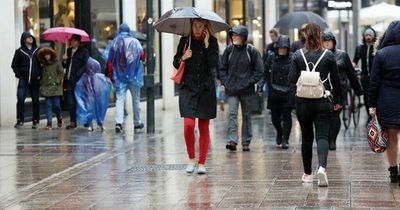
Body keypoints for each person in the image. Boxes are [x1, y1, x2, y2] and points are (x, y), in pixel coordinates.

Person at [288, 23, 341, 187]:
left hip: (303, 103)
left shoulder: (297, 55)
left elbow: (291, 80)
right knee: (322, 136)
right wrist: (338, 100)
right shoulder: (328, 55)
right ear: (319, 36)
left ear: (305, 35)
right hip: (323, 100)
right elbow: (337, 82)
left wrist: (294, 101)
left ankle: (307, 174)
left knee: (306, 137)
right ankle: (322, 169)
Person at [173, 19, 219, 174]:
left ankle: (202, 163)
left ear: (205, 27)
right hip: (188, 88)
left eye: (201, 26)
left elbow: (214, 64)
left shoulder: (212, 41)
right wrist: (183, 57)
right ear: (191, 26)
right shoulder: (185, 40)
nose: (198, 29)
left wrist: (206, 45)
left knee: (204, 126)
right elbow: (175, 61)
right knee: (188, 125)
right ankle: (191, 158)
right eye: (196, 26)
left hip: (206, 89)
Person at [219, 25, 264, 152]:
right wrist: (226, 82)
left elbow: (259, 71)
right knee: (232, 113)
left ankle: (246, 141)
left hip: (247, 90)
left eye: (237, 35)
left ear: (243, 37)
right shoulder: (229, 50)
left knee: (246, 115)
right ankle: (232, 140)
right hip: (232, 89)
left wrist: (249, 82)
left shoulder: (252, 51)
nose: (234, 37)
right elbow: (222, 68)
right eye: (232, 35)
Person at [368, 21, 400, 184]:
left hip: (387, 100)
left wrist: (372, 104)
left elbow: (374, 82)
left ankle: (393, 171)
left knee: (392, 136)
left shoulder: (381, 54)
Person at [322, 32, 363, 150]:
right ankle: (325, 138)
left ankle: (332, 140)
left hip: (339, 91)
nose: (327, 42)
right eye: (325, 40)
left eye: (329, 40)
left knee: (335, 115)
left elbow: (351, 74)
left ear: (334, 42)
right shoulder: (318, 55)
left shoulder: (342, 55)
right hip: (323, 90)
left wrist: (358, 91)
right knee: (324, 116)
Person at [108, 22, 144, 133]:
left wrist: (112, 74)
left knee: (120, 100)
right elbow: (141, 55)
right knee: (136, 100)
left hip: (119, 77)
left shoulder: (115, 42)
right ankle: (137, 122)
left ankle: (119, 122)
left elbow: (109, 59)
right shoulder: (135, 42)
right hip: (134, 77)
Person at [260, 35, 294, 149]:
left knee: (287, 116)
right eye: (280, 48)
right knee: (275, 118)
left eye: (284, 48)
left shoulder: (293, 58)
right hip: (274, 92)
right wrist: (261, 85)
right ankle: (279, 132)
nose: (282, 50)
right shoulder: (271, 58)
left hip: (288, 92)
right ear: (277, 48)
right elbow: (264, 72)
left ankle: (285, 139)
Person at [11, 32, 42, 129]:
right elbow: (14, 65)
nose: (31, 38)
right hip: (23, 79)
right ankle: (20, 120)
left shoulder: (38, 50)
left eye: (31, 37)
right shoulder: (19, 51)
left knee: (36, 100)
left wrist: (39, 75)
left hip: (35, 80)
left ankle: (35, 120)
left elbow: (43, 64)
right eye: (28, 37)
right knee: (20, 99)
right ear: (24, 40)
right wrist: (19, 74)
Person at [75, 57, 112, 131]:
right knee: (98, 110)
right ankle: (98, 124)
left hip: (90, 97)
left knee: (91, 110)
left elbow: (79, 87)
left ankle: (93, 124)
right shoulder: (99, 77)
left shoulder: (87, 77)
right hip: (95, 97)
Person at [62, 34, 90, 129]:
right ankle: (73, 122)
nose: (72, 42)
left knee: (82, 101)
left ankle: (87, 120)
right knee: (71, 102)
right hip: (69, 80)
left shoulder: (84, 51)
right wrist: (64, 60)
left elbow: (85, 65)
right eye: (71, 40)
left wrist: (77, 75)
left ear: (78, 42)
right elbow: (64, 66)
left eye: (74, 40)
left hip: (80, 80)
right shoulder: (68, 51)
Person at [353, 27, 377, 123]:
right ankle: (369, 115)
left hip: (375, 76)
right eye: (366, 35)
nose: (368, 37)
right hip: (364, 77)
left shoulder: (376, 47)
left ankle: (374, 115)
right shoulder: (360, 48)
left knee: (374, 96)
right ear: (364, 36)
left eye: (370, 35)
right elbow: (355, 60)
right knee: (366, 97)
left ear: (373, 36)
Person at [38, 47, 64, 130]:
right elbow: (41, 75)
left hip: (56, 87)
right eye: (45, 55)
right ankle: (49, 123)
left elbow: (61, 72)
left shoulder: (57, 63)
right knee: (48, 105)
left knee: (56, 105)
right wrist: (41, 82)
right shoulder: (43, 64)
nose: (47, 56)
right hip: (46, 87)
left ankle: (59, 118)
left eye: (48, 54)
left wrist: (56, 81)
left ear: (51, 55)